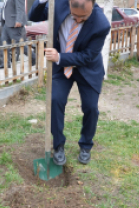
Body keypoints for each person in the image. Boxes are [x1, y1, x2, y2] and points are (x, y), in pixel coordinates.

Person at [28, 0, 110, 165]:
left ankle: (86, 145)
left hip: (87, 69)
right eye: (74, 16)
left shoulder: (102, 24)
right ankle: (58, 146)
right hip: (60, 67)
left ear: (93, 5)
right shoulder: (57, 5)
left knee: (91, 108)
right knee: (55, 101)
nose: (78, 20)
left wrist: (59, 57)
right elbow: (34, 17)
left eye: (83, 17)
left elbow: (87, 56)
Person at [0, 0, 36, 68]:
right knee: (3, 44)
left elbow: (20, 8)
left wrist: (19, 20)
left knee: (19, 44)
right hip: (6, 23)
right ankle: (5, 63)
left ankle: (34, 58)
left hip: (14, 24)